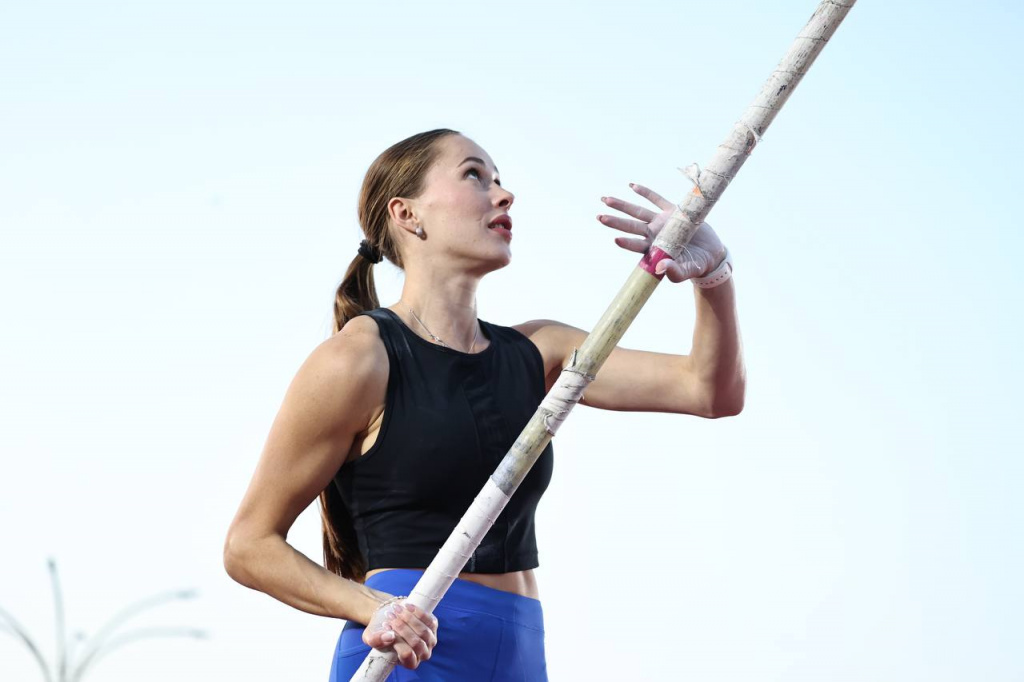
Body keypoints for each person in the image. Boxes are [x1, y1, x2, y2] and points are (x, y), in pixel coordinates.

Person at [223, 128, 745, 681]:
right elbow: (248, 544)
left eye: (498, 179)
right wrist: (371, 607)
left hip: (518, 650)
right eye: (474, 175)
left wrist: (714, 277)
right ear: (407, 214)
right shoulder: (358, 359)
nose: (503, 194)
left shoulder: (540, 351)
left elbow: (708, 391)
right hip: (409, 649)